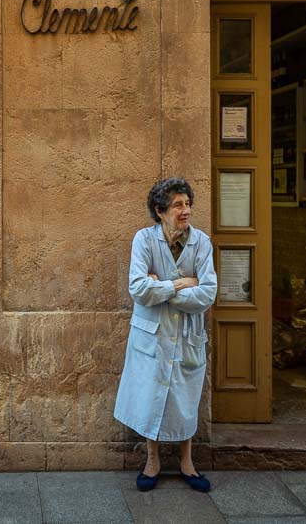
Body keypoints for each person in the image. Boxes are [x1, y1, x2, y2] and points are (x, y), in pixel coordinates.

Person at [113, 177, 218, 492]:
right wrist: (181, 283)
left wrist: (159, 287)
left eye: (187, 204)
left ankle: (187, 462)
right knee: (152, 396)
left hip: (187, 335)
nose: (185, 211)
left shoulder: (201, 242)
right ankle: (152, 460)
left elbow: (208, 293)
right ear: (160, 211)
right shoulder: (144, 241)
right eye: (177, 205)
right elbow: (138, 289)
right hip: (152, 335)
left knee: (185, 398)